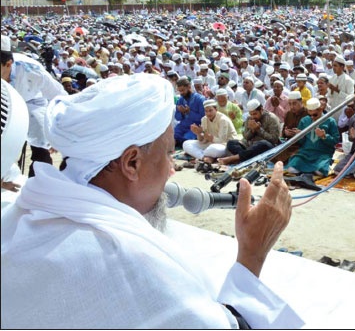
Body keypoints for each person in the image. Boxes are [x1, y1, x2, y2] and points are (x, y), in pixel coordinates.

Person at [0, 74, 303, 328]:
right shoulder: (130, 261)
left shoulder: (18, 215)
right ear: (131, 163)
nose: (172, 169)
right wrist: (253, 254)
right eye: (169, 153)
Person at [1, 36, 67, 177]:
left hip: (31, 103)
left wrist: (56, 133)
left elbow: (59, 97)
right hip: (4, 105)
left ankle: (37, 187)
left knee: (41, 151)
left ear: (8, 64)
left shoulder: (32, 71)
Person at [285, 98, 340, 177]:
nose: (312, 117)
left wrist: (324, 137)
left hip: (322, 154)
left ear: (320, 110)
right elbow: (301, 143)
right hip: (306, 153)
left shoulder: (330, 121)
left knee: (320, 171)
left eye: (315, 115)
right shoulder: (304, 121)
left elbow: (335, 140)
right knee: (291, 169)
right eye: (310, 115)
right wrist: (299, 136)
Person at [218, 99, 281, 166]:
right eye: (251, 114)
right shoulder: (249, 118)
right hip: (250, 147)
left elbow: (274, 140)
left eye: (255, 114)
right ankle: (246, 158)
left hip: (266, 148)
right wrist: (252, 130)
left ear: (261, 110)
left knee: (263, 143)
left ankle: (233, 159)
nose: (253, 116)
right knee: (231, 143)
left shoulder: (272, 118)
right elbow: (246, 137)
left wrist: (259, 130)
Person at [183, 100, 238, 165]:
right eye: (206, 111)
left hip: (224, 146)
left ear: (216, 109)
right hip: (209, 144)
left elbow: (222, 140)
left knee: (213, 149)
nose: (208, 113)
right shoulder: (204, 119)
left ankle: (199, 155)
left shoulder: (223, 120)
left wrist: (203, 133)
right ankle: (204, 158)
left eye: (210, 110)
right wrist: (198, 133)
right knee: (186, 144)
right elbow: (202, 140)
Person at [271, 91, 308, 164]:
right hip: (290, 144)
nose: (292, 107)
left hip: (303, 145)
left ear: (301, 102)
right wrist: (286, 132)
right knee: (273, 156)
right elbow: (284, 132)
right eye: (290, 104)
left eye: (294, 103)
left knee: (295, 159)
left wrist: (301, 134)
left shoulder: (308, 114)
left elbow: (312, 133)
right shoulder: (289, 114)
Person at [174, 77, 206, 148]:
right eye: (179, 91)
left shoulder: (200, 99)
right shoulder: (180, 100)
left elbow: (203, 118)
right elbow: (177, 117)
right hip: (183, 126)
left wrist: (189, 112)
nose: (181, 93)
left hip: (195, 127)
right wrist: (182, 112)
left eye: (183, 90)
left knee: (186, 140)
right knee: (172, 137)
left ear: (189, 87)